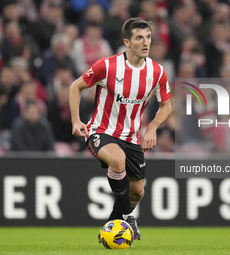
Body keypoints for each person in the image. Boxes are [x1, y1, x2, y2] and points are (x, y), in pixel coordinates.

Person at [69, 17, 172, 240]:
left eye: (148, 37)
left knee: (137, 192)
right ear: (127, 42)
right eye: (139, 38)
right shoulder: (106, 66)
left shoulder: (157, 72)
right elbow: (75, 87)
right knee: (117, 161)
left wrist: (153, 127)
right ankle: (129, 219)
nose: (145, 43)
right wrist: (76, 121)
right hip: (101, 130)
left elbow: (166, 105)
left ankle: (110, 227)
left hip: (132, 137)